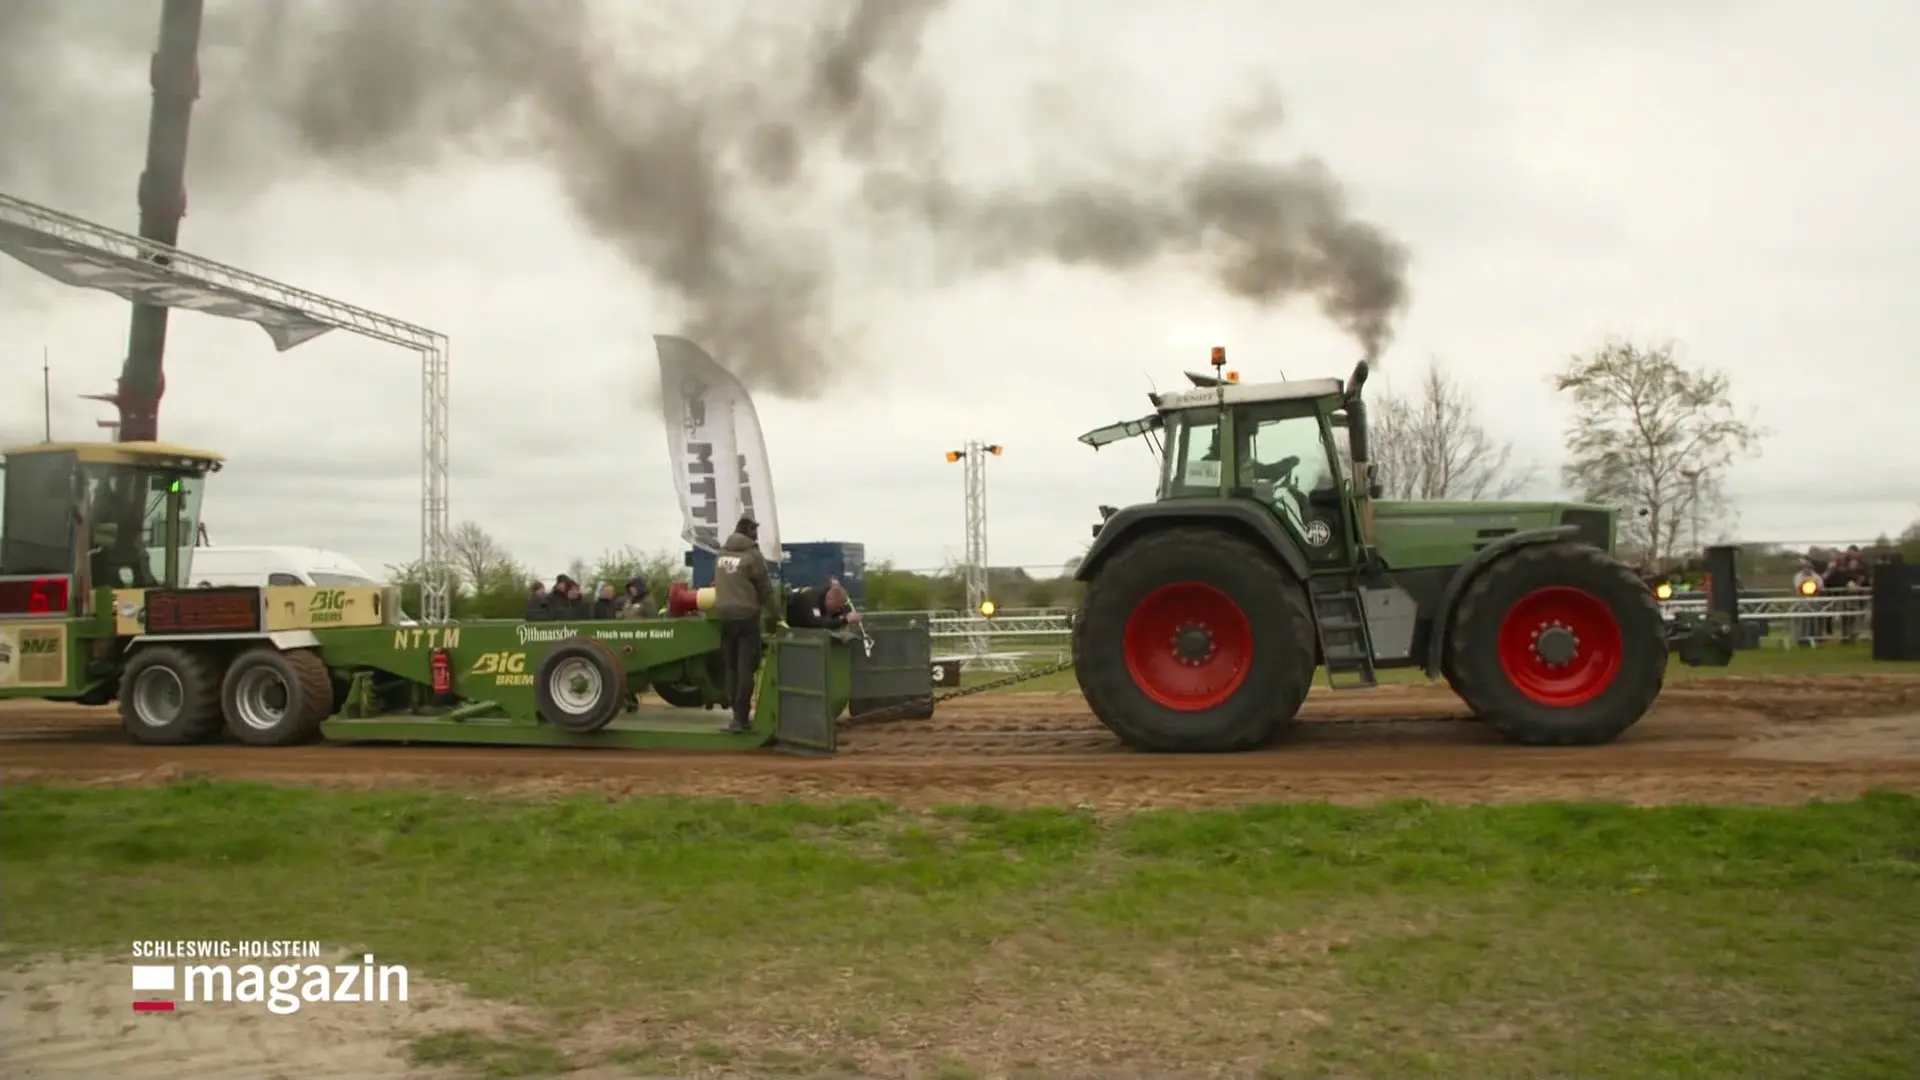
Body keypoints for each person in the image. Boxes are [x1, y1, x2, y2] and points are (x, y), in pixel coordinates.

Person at [711, 514, 780, 733]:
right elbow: (765, 589)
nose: (756, 535)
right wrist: (777, 616)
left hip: (724, 616)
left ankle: (735, 716)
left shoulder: (721, 554)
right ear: (749, 531)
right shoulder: (753, 555)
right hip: (746, 617)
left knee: (731, 668)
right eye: (755, 531)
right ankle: (741, 719)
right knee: (745, 670)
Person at [786, 578, 860, 630]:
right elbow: (818, 626)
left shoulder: (826, 595)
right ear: (831, 601)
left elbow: (840, 608)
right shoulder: (811, 601)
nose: (838, 611)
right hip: (791, 624)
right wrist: (845, 620)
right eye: (838, 608)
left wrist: (847, 616)